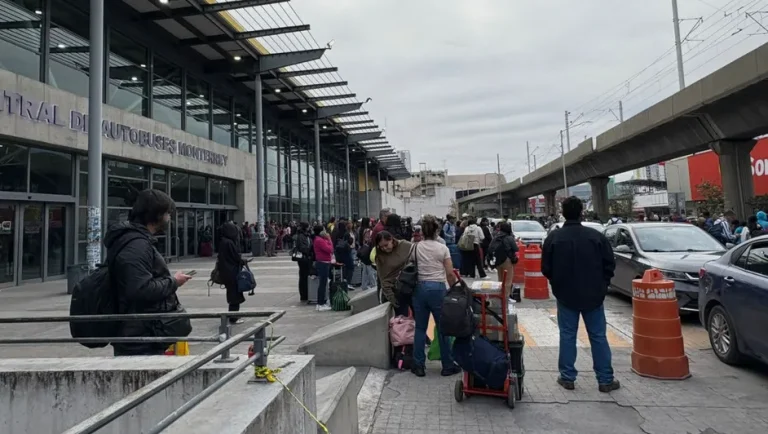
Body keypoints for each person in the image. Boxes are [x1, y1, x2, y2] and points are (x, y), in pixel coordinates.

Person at [541, 196, 619, 393]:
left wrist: (557, 282)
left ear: (563, 213)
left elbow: (546, 267)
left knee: (567, 335)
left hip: (566, 294)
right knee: (598, 336)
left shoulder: (554, 238)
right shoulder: (595, 237)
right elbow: (609, 265)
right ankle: (605, 379)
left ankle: (567, 377)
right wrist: (602, 284)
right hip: (594, 294)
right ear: (581, 212)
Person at [104, 189, 191, 356]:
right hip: (139, 337)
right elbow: (140, 289)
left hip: (143, 332)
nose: (169, 218)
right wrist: (174, 281)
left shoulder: (137, 241)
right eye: (167, 213)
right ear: (156, 215)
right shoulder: (136, 246)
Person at [410, 215, 461, 377]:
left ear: (422, 231)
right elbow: (450, 274)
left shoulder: (415, 247)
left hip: (419, 288)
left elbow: (409, 266)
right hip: (438, 288)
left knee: (420, 327)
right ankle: (447, 365)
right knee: (442, 328)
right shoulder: (443, 249)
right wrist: (455, 288)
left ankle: (418, 365)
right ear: (437, 231)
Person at [375, 231, 413, 316]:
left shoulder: (404, 245)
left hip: (410, 286)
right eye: (381, 247)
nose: (384, 248)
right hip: (395, 291)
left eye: (386, 245)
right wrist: (392, 298)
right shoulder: (380, 257)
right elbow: (383, 279)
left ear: (391, 240)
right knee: (402, 319)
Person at [217, 222, 248, 324]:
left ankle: (233, 316)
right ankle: (233, 317)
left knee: (232, 295)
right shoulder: (229, 243)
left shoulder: (223, 242)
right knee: (235, 296)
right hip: (232, 273)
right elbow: (235, 257)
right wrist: (243, 261)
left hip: (227, 273)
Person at [490, 221, 518, 297]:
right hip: (507, 260)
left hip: (498, 260)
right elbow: (516, 249)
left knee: (500, 279)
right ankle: (505, 297)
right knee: (508, 280)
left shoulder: (496, 236)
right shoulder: (509, 237)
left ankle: (500, 295)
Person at [313, 226, 334, 312]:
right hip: (323, 263)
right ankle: (320, 303)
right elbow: (330, 249)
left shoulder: (320, 239)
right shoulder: (320, 240)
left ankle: (321, 303)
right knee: (322, 283)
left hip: (324, 262)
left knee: (323, 283)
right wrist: (329, 239)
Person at [294, 222, 313, 302]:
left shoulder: (307, 235)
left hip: (308, 258)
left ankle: (306, 293)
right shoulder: (301, 236)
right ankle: (303, 294)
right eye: (308, 227)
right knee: (303, 276)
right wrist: (309, 251)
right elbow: (302, 248)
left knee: (306, 275)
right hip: (303, 259)